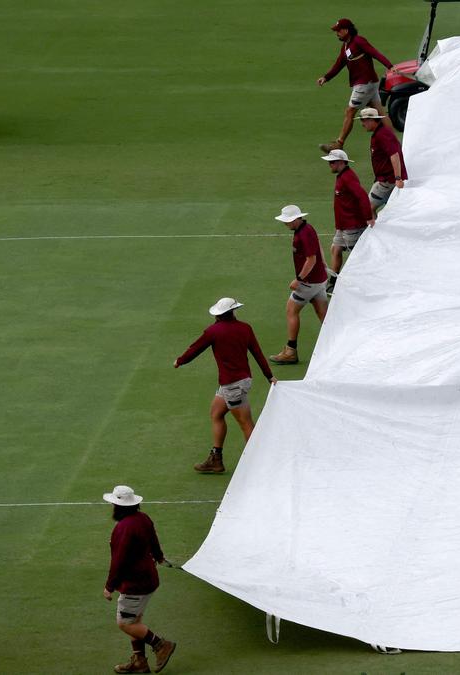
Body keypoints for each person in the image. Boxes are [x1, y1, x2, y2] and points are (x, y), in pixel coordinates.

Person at [173, 298, 276, 473]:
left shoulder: (213, 331)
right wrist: (269, 376)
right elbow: (257, 353)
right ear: (233, 312)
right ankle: (216, 459)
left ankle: (259, 463)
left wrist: (179, 361)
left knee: (245, 423)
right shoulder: (245, 328)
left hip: (232, 385)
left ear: (219, 315)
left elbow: (195, 349)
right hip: (237, 382)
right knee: (216, 413)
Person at [103, 485, 177, 673]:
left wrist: (109, 587)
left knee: (126, 623)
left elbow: (118, 561)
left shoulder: (123, 528)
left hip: (135, 585)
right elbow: (154, 540)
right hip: (148, 579)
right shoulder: (143, 519)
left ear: (118, 507)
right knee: (135, 620)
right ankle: (139, 661)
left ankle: (161, 645)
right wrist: (159, 556)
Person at [317, 17, 394, 153]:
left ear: (346, 30)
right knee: (380, 112)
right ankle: (394, 142)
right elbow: (339, 64)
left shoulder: (358, 41)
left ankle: (339, 143)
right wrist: (326, 77)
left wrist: (389, 66)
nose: (337, 33)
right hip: (370, 83)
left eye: (339, 31)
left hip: (364, 84)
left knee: (350, 111)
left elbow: (374, 53)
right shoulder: (346, 46)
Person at [270, 205, 329, 365]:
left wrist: (299, 279)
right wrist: (323, 264)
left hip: (309, 283)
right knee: (324, 315)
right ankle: (338, 344)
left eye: (288, 221)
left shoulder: (303, 233)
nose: (285, 224)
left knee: (291, 310)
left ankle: (290, 351)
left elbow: (311, 259)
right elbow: (318, 248)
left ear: (296, 219)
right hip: (319, 280)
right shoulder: (307, 228)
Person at [322, 149, 375, 294]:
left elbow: (363, 196)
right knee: (335, 249)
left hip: (352, 226)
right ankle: (333, 281)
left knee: (355, 257)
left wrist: (369, 217)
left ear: (340, 162)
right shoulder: (342, 176)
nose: (329, 165)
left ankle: (361, 285)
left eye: (332, 162)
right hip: (342, 226)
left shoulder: (348, 177)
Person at [357, 107, 408, 213]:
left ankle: (375, 229)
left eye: (363, 120)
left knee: (368, 209)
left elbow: (394, 155)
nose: (362, 124)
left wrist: (398, 178)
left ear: (371, 120)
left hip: (388, 181)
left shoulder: (382, 134)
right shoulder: (381, 133)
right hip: (386, 179)